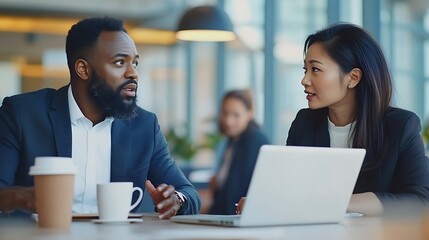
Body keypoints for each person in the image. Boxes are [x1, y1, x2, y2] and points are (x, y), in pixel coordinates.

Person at [0, 17, 200, 219]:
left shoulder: (144, 126)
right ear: (83, 69)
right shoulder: (22, 114)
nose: (133, 73)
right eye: (120, 62)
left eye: (135, 63)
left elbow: (189, 193)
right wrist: (23, 197)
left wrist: (177, 199)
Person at [237, 23, 429, 216]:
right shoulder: (304, 123)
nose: (305, 80)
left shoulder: (400, 126)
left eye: (316, 70)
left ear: (353, 78)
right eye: (305, 70)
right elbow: (288, 191)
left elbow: (419, 200)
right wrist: (262, 201)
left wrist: (334, 201)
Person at [208, 89, 270, 215]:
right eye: (225, 113)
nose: (228, 121)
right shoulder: (233, 140)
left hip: (239, 217)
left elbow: (238, 190)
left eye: (236, 115)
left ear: (249, 114)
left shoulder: (253, 140)